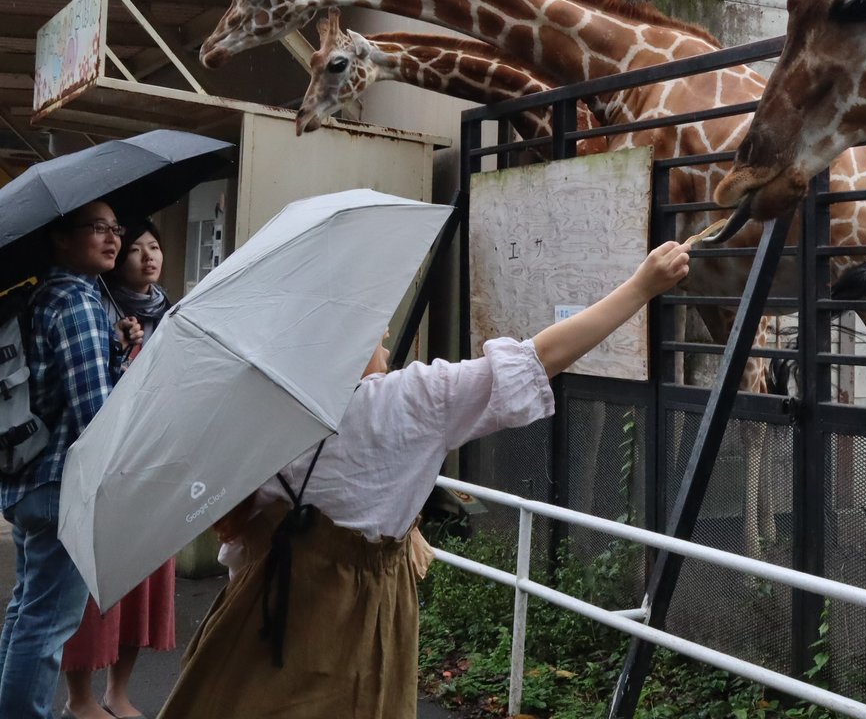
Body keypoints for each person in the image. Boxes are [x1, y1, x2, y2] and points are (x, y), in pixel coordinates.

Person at [156, 239, 692, 719]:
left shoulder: (257, 413)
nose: (386, 330)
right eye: (372, 321)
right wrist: (642, 285)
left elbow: (238, 543)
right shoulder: (408, 401)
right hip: (351, 629)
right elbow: (540, 357)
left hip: (254, 625)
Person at [0, 201, 142, 719]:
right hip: (65, 486)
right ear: (61, 239)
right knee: (45, 625)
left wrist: (119, 352)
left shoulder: (42, 296)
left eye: (115, 228)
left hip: (32, 480)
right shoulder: (78, 302)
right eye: (97, 228)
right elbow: (94, 413)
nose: (112, 238)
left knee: (26, 615)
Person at [63, 220, 176, 719]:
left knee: (144, 580)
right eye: (136, 250)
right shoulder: (96, 309)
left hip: (156, 459)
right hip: (109, 467)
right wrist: (120, 346)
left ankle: (119, 692)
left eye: (154, 247)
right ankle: (80, 697)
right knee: (94, 586)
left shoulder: (174, 313)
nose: (148, 257)